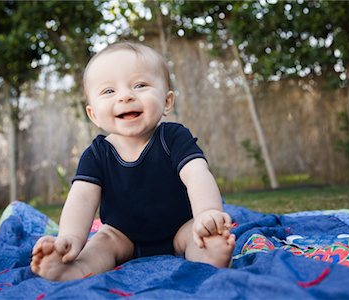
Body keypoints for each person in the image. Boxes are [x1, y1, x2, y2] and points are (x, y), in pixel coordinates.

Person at [30, 42, 236, 281]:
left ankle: (211, 256)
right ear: (94, 115)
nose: (126, 96)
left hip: (179, 229)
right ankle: (70, 268)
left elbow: (197, 174)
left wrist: (206, 214)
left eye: (140, 85)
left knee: (198, 237)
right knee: (101, 244)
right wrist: (70, 239)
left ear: (167, 102)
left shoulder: (173, 137)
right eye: (109, 91)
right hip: (121, 236)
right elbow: (82, 199)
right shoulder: (97, 153)